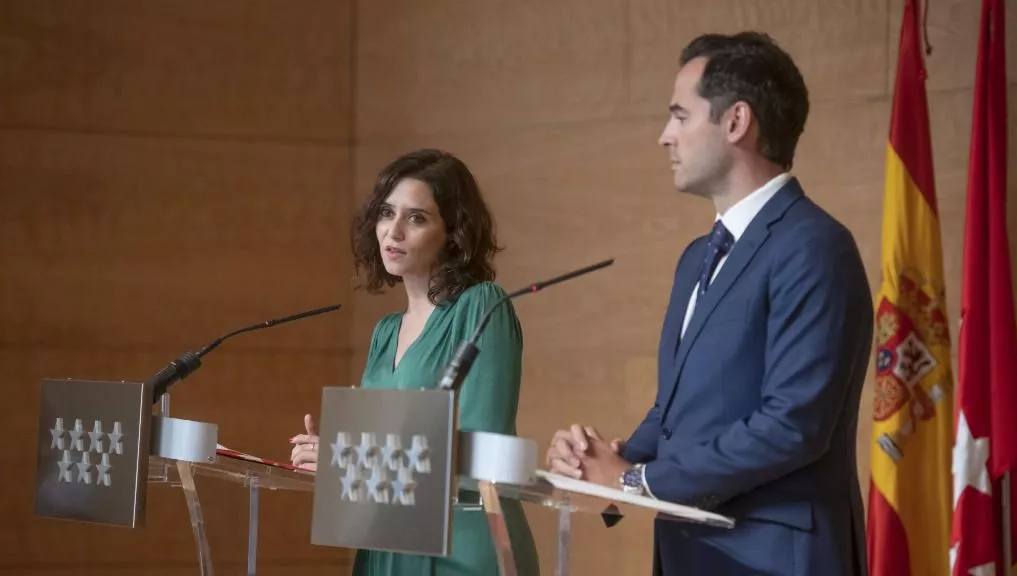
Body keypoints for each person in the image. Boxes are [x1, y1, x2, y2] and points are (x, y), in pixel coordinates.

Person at [546, 32, 873, 575]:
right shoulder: (697, 256)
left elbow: (792, 425)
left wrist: (634, 481)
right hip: (691, 553)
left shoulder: (816, 246)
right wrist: (600, 464)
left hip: (775, 560)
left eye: (679, 115)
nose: (664, 136)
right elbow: (675, 413)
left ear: (736, 121)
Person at [289, 148, 540, 576]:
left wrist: (351, 458)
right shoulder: (385, 332)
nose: (394, 231)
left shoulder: (483, 306)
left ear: (454, 232)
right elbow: (385, 445)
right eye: (387, 213)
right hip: (387, 541)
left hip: (463, 545)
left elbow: (480, 443)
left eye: (417, 218)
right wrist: (340, 452)